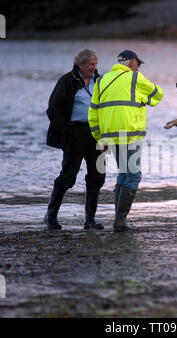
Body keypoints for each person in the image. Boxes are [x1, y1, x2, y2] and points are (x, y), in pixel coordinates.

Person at [88, 50, 163, 232]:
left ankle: (119, 219)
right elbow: (158, 95)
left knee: (124, 172)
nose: (139, 67)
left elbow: (93, 113)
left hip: (109, 136)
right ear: (131, 63)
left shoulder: (101, 80)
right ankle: (120, 220)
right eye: (138, 64)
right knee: (134, 174)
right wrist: (142, 98)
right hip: (130, 134)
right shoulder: (135, 78)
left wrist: (100, 138)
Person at [45, 49, 106, 230]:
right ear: (80, 64)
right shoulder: (67, 81)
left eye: (96, 64)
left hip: (97, 134)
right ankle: (51, 216)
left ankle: (90, 219)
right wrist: (65, 131)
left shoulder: (101, 81)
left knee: (97, 176)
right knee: (68, 176)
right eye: (91, 65)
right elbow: (53, 109)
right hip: (74, 133)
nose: (94, 68)